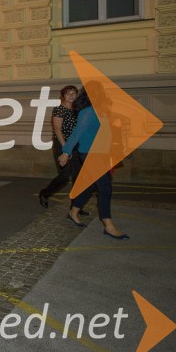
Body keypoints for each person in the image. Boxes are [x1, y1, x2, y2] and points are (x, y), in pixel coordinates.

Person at [57, 86, 128, 239]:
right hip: (90, 153)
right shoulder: (87, 111)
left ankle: (73, 212)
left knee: (89, 186)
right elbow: (78, 132)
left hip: (101, 152)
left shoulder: (100, 111)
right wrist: (66, 151)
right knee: (105, 187)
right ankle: (108, 225)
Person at [38, 85, 89, 215]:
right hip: (62, 144)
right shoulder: (59, 109)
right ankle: (45, 193)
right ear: (63, 96)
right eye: (68, 94)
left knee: (78, 177)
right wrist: (66, 148)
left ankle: (75, 207)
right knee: (65, 176)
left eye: (73, 93)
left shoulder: (78, 109)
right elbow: (57, 129)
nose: (71, 96)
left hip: (76, 145)